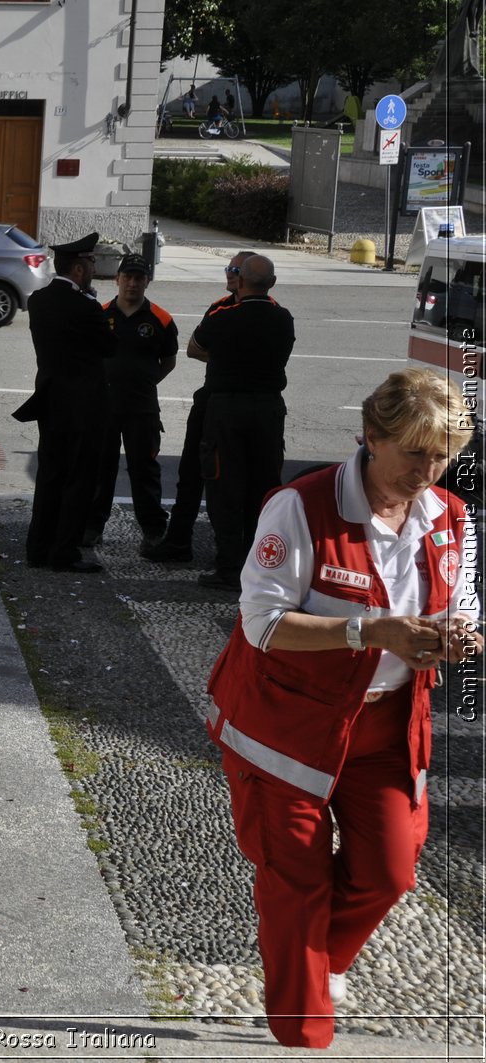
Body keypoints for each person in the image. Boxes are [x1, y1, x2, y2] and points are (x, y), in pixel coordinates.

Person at [205, 368, 480, 1049]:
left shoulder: (450, 515)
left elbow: (463, 602)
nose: (430, 469)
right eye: (416, 451)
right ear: (372, 438)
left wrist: (459, 635)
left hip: (386, 721)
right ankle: (303, 1029)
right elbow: (262, 624)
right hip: (284, 727)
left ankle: (314, 965)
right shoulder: (300, 507)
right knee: (294, 881)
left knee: (390, 869)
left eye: (444, 454)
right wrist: (371, 630)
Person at [189, 254, 295, 590]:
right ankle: (259, 561)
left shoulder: (223, 317)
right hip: (267, 409)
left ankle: (229, 565)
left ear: (241, 281)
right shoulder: (283, 318)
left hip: (227, 408)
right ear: (272, 284)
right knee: (263, 486)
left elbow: (195, 346)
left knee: (224, 485)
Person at [14, 232, 117, 573]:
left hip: (51, 400)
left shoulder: (40, 300)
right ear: (77, 269)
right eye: (89, 263)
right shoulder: (86, 306)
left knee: (50, 475)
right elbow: (109, 347)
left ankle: (38, 547)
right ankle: (64, 551)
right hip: (84, 404)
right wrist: (91, 301)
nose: (92, 268)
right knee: (79, 478)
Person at [145, 250, 255, 563]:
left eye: (235, 269)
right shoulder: (218, 309)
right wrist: (230, 360)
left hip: (243, 405)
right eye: (228, 267)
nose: (229, 273)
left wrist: (224, 358)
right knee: (190, 472)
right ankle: (179, 539)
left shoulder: (269, 311)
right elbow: (193, 349)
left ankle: (237, 552)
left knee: (234, 478)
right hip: (211, 399)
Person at [85, 254, 178, 552]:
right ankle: (91, 529)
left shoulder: (161, 319)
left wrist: (144, 383)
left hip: (142, 409)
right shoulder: (100, 316)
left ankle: (153, 531)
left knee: (145, 471)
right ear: (117, 279)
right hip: (104, 407)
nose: (133, 283)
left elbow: (169, 361)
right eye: (128, 277)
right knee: (100, 470)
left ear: (147, 282)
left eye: (139, 278)